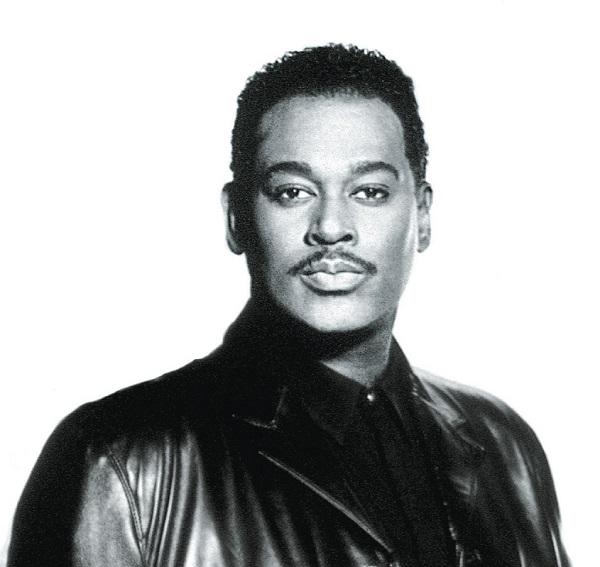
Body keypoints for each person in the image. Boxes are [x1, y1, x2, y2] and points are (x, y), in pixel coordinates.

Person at [8, 44, 569, 567]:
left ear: (421, 216)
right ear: (237, 218)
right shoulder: (119, 459)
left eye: (369, 191)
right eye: (293, 192)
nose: (331, 227)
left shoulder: (503, 444)